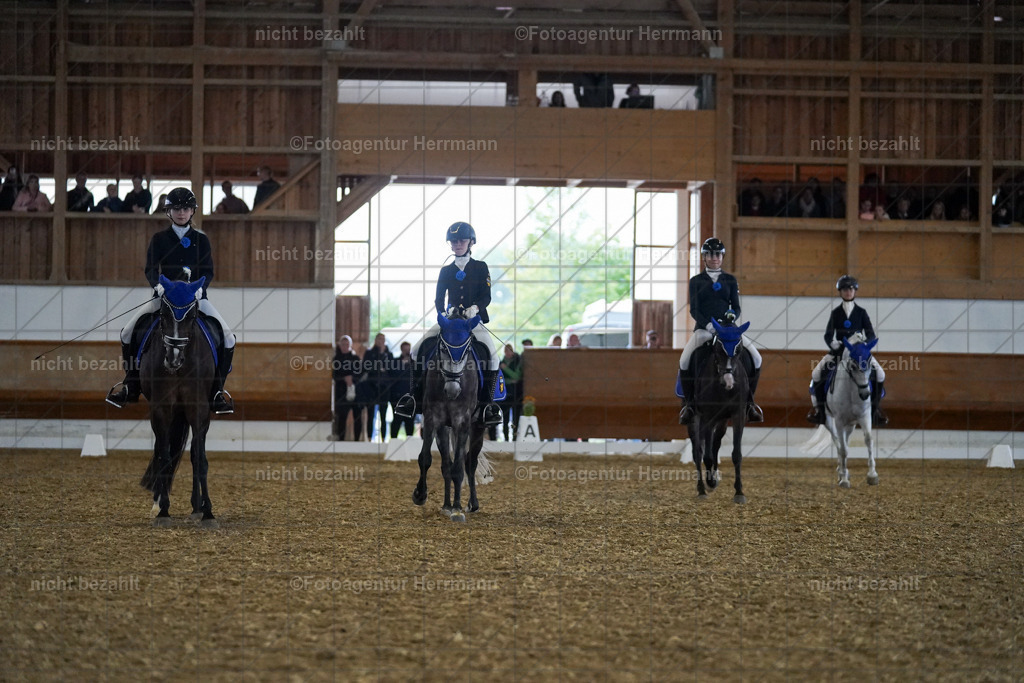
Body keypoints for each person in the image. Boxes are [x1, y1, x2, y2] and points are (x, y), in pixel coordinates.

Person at [105, 188, 236, 414]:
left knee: (228, 338)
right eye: (176, 208)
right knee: (127, 332)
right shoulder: (159, 239)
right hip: (164, 298)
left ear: (192, 211)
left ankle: (216, 390)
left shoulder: (200, 240)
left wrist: (199, 289)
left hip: (194, 299)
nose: (181, 213)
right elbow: (150, 268)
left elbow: (208, 271)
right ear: (169, 211)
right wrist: (157, 284)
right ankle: (131, 384)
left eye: (186, 208)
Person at [394, 221, 502, 426]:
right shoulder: (445, 271)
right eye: (453, 241)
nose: (457, 244)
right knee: (417, 351)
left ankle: (488, 406)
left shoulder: (480, 267)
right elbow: (437, 299)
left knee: (493, 356)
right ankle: (413, 399)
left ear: (471, 242)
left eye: (461, 240)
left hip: (472, 322)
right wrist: (443, 313)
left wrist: (475, 309)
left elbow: (486, 296)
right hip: (450, 321)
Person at [678, 237, 763, 424]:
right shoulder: (696, 281)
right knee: (684, 360)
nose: (714, 258)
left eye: (717, 254)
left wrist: (732, 316)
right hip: (704, 330)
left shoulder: (730, 280)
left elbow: (737, 307)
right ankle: (690, 405)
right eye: (710, 254)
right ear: (704, 257)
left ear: (722, 256)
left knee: (757, 358)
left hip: (727, 331)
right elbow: (694, 309)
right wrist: (707, 324)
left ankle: (749, 403)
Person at [807, 275, 887, 426]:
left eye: (850, 289)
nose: (848, 292)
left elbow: (871, 334)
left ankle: (875, 410)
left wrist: (864, 344)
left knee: (881, 374)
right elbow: (828, 334)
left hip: (859, 352)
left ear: (855, 291)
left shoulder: (861, 313)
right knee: (816, 373)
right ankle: (820, 411)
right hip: (839, 352)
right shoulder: (835, 313)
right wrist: (833, 344)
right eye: (845, 289)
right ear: (840, 292)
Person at [331, 335, 364, 441]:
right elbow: (334, 375)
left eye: (347, 344)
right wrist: (344, 379)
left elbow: (360, 374)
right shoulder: (336, 359)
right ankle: (341, 440)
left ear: (350, 345)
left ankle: (357, 441)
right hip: (341, 392)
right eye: (343, 344)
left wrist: (352, 379)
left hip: (356, 392)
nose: (345, 346)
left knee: (357, 416)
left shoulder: (355, 358)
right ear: (339, 345)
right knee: (341, 417)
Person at [362, 332, 392, 441]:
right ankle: (370, 438)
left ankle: (384, 439)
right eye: (379, 339)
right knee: (371, 415)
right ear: (375, 340)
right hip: (372, 387)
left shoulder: (389, 354)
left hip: (384, 388)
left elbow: (391, 369)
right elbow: (365, 367)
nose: (381, 341)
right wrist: (379, 368)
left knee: (383, 415)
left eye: (383, 339)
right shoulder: (369, 353)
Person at [389, 341, 415, 438]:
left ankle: (410, 440)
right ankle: (394, 440)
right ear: (401, 350)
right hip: (397, 396)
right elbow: (393, 376)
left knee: (409, 420)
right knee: (397, 419)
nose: (407, 352)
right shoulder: (395, 362)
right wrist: (402, 365)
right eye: (405, 350)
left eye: (408, 350)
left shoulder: (414, 363)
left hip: (410, 397)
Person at [499, 343, 522, 441]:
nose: (508, 353)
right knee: (505, 418)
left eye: (510, 350)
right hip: (504, 394)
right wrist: (509, 380)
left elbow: (517, 376)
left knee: (515, 419)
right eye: (506, 351)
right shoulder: (500, 362)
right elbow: (500, 378)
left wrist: (505, 369)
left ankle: (515, 438)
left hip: (516, 394)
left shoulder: (517, 361)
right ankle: (505, 439)